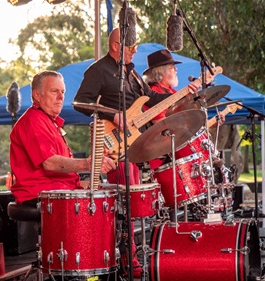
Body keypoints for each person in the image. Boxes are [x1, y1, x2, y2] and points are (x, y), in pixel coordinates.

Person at [74, 28, 200, 277]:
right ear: (114, 46)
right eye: (130, 47)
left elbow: (150, 98)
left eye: (135, 46)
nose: (134, 51)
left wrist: (185, 94)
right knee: (124, 207)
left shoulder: (131, 73)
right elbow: (80, 101)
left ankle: (129, 260)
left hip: (131, 145)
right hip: (111, 143)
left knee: (130, 206)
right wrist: (113, 114)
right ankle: (127, 263)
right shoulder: (98, 70)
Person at [9, 70, 116, 207]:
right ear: (37, 95)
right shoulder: (33, 120)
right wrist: (90, 163)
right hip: (42, 197)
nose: (61, 97)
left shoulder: (49, 122)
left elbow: (63, 174)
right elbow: (50, 163)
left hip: (58, 193)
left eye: (63, 92)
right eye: (54, 91)